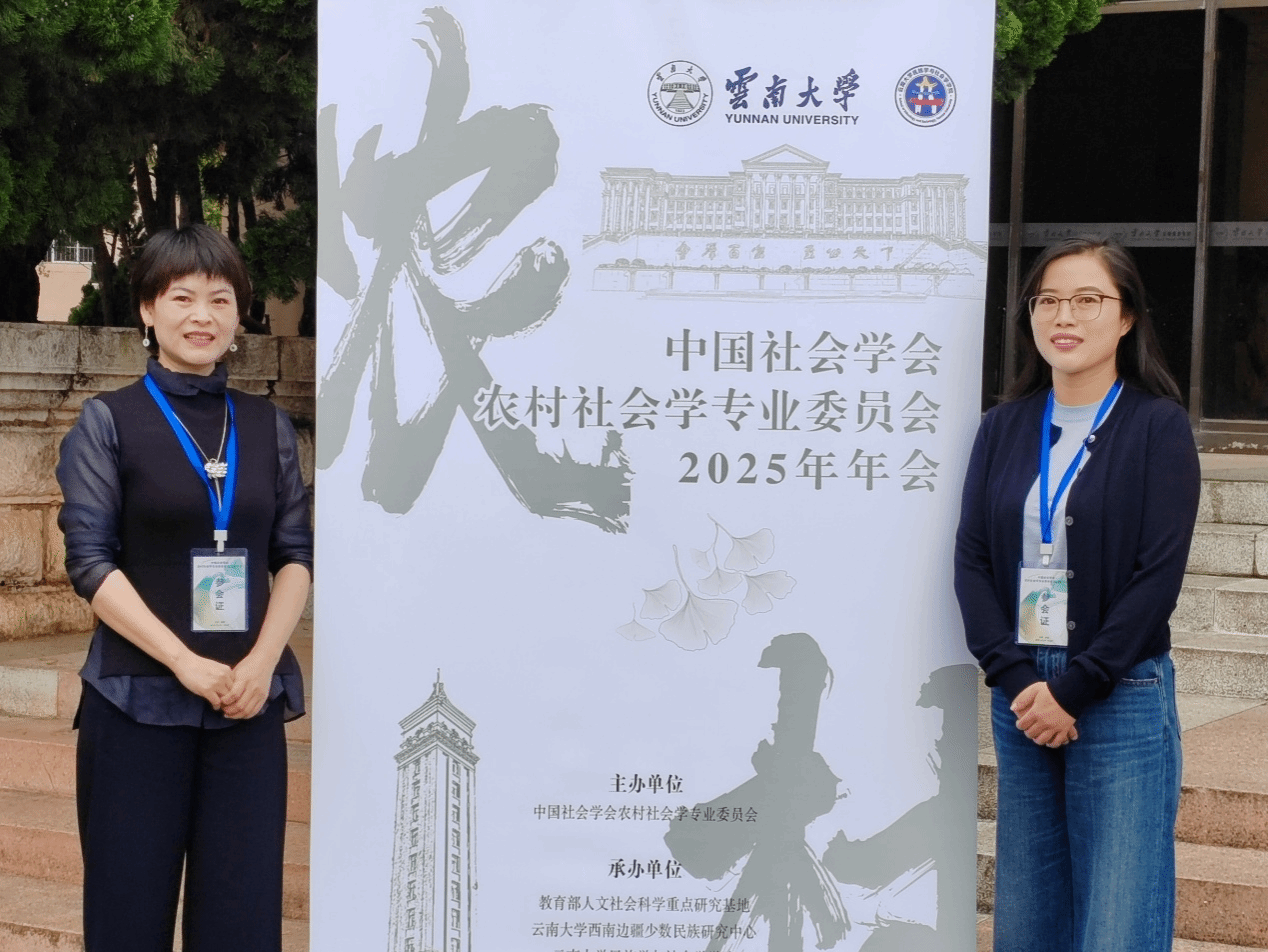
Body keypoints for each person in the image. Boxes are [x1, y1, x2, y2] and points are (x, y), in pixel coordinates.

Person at [56, 223, 312, 952]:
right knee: (128, 917)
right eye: (182, 298)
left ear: (238, 314)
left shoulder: (266, 426)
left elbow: (295, 556)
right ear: (148, 309)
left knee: (242, 921)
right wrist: (184, 662)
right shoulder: (109, 421)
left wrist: (261, 664)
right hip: (136, 701)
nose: (203, 316)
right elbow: (91, 565)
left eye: (220, 299)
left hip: (246, 705)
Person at [954, 237, 1199, 952]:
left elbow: (1157, 578)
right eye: (1049, 300)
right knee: (1028, 921)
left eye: (1088, 300)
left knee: (1119, 922)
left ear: (1126, 318)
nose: (1065, 316)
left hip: (1119, 690)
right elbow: (972, 558)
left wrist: (1078, 686)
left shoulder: (1157, 427)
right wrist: (1016, 678)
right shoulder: (1003, 427)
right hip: (1024, 695)